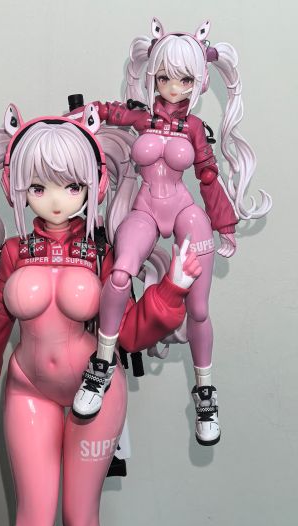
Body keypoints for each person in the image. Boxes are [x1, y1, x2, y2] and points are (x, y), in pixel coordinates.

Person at [0, 102, 201, 526]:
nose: (55, 200)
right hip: (28, 389)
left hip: (97, 389)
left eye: (72, 186)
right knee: (31, 522)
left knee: (80, 520)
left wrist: (173, 288)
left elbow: (127, 332)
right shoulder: (15, 252)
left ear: (94, 183)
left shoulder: (101, 253)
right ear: (17, 186)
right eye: (38, 187)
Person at [72, 18, 272, 446]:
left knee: (198, 308)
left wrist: (224, 223)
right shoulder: (142, 118)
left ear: (199, 82)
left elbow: (207, 175)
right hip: (146, 208)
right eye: (164, 77)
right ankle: (101, 365)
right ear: (153, 76)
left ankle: (205, 394)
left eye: (184, 79)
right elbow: (109, 112)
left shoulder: (195, 128)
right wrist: (80, 118)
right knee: (120, 274)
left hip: (184, 211)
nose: (173, 87)